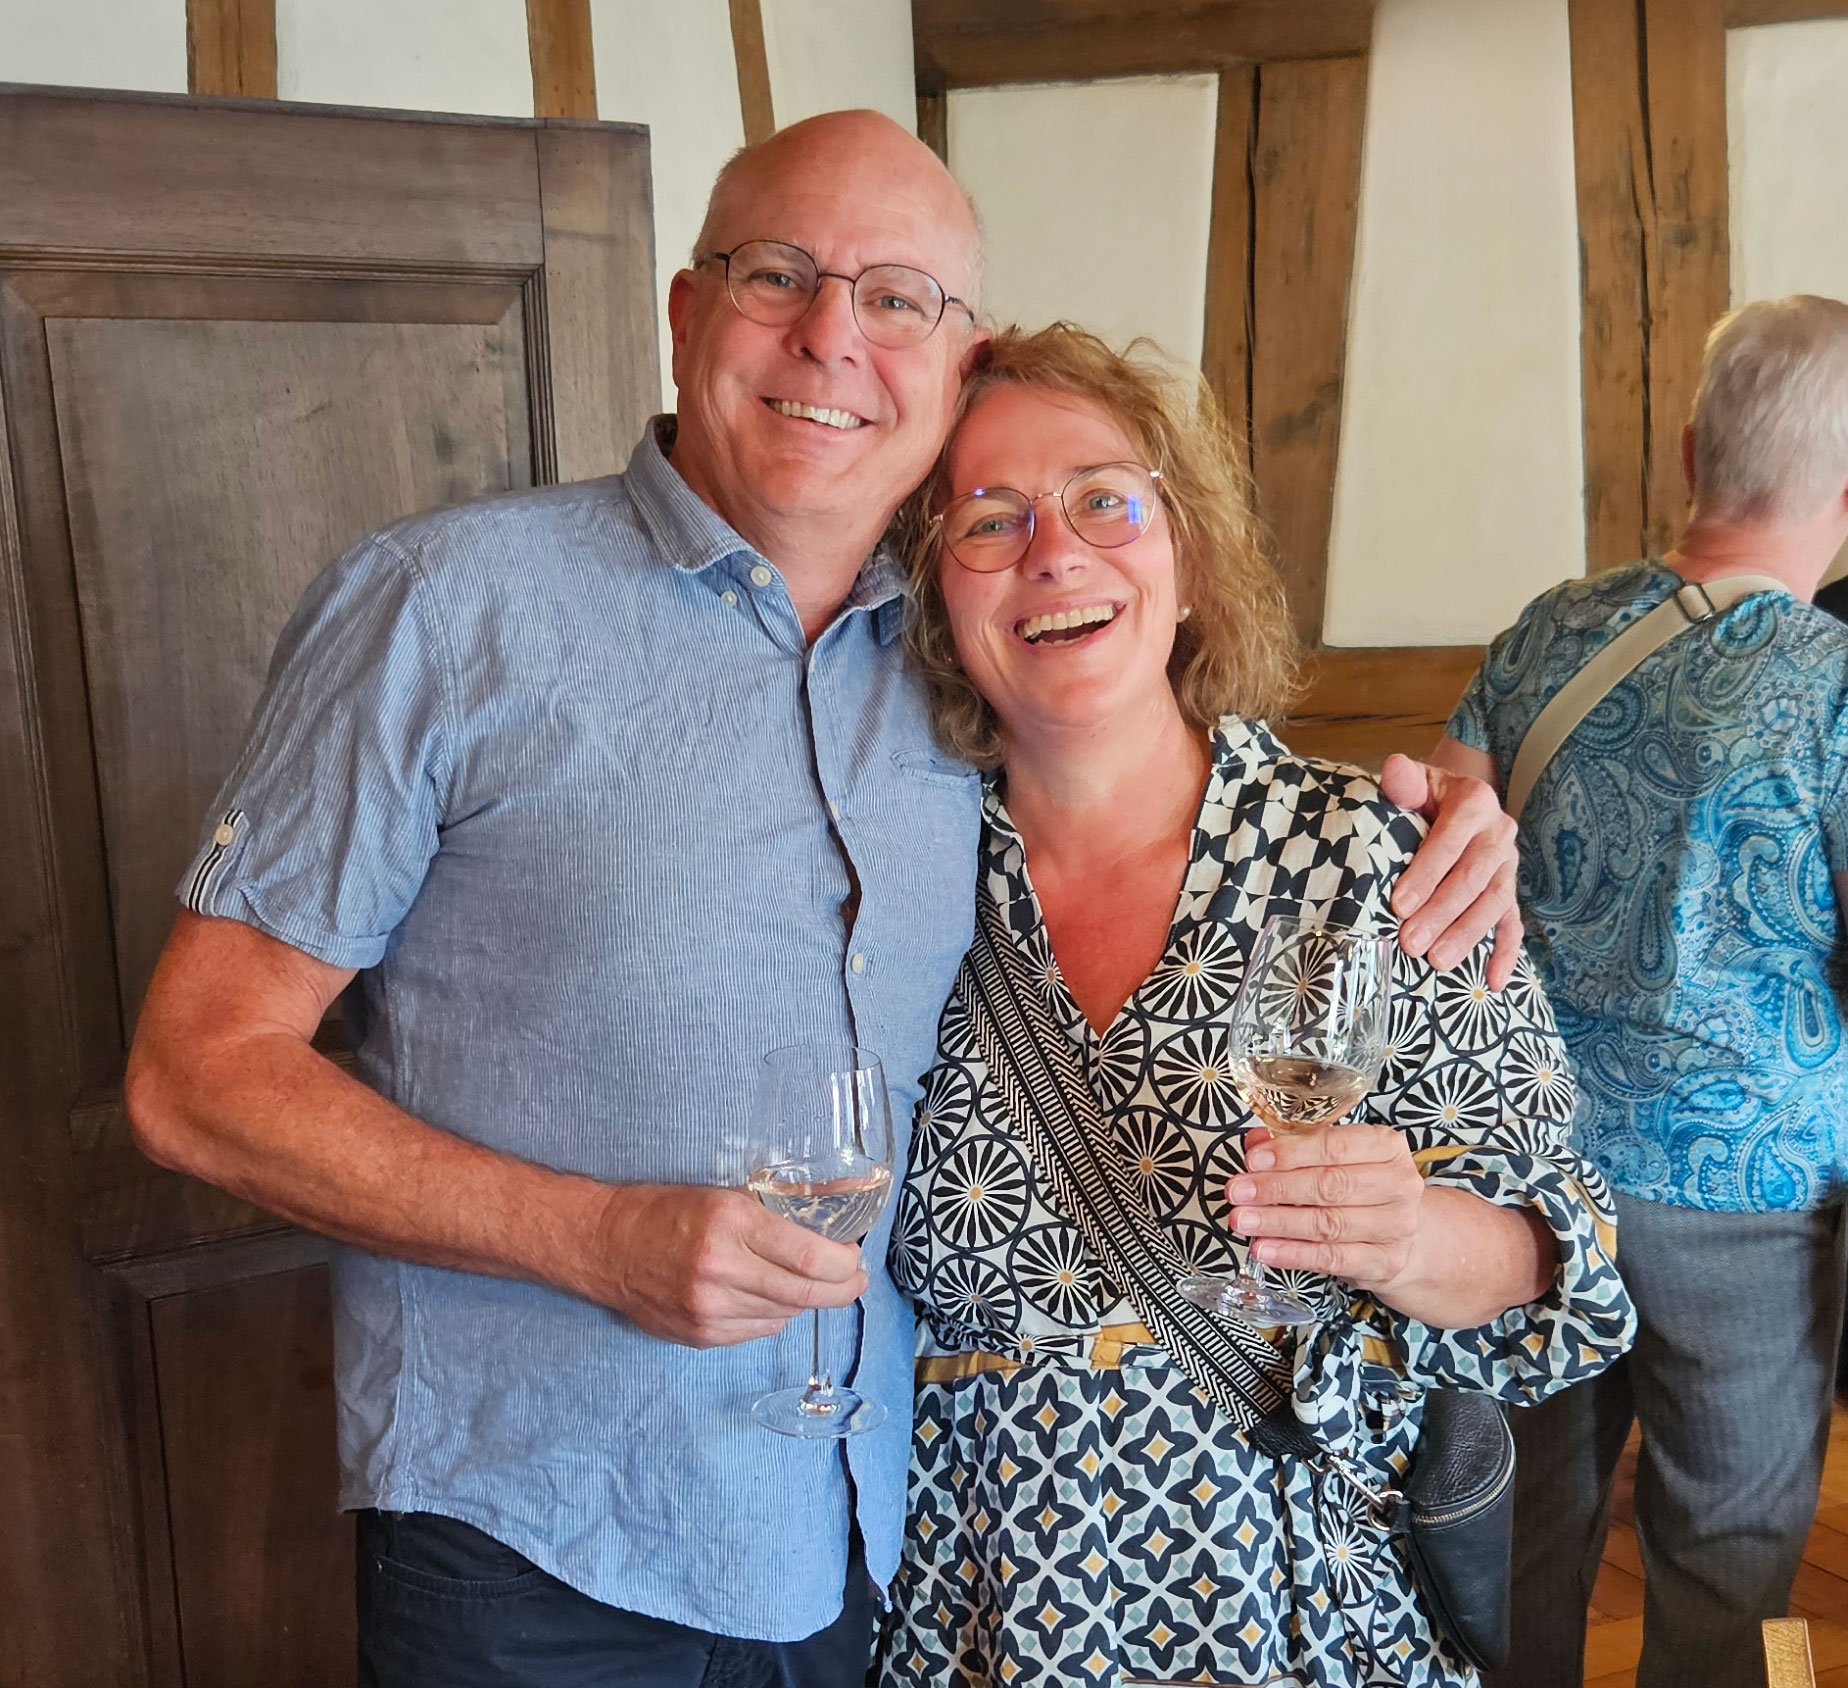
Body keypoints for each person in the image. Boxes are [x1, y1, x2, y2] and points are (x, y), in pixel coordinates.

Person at [124, 112, 1530, 1687]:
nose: (831, 337)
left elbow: (1154, 762)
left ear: (957, 361)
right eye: (778, 274)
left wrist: (1430, 809)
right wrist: (595, 1236)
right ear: (686, 312)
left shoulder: (953, 662)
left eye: (896, 297)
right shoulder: (444, 612)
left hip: (863, 1552)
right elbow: (195, 1074)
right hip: (537, 1546)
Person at [875, 323, 1636, 1688]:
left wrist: (1409, 1235)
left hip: (1295, 1613)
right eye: (990, 519)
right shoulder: (899, 876)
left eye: (1106, 499)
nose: (1055, 552)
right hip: (981, 1628)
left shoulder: (1372, 854)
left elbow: (1562, 1260)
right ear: (936, 595)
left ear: (1186, 557)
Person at [1430, 295, 1848, 1688]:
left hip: (1530, 1185)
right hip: (1753, 1205)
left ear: (1689, 453)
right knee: (1733, 1549)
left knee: (1528, 1534)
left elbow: (1430, 880)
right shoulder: (1836, 689)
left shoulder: (1543, 633)